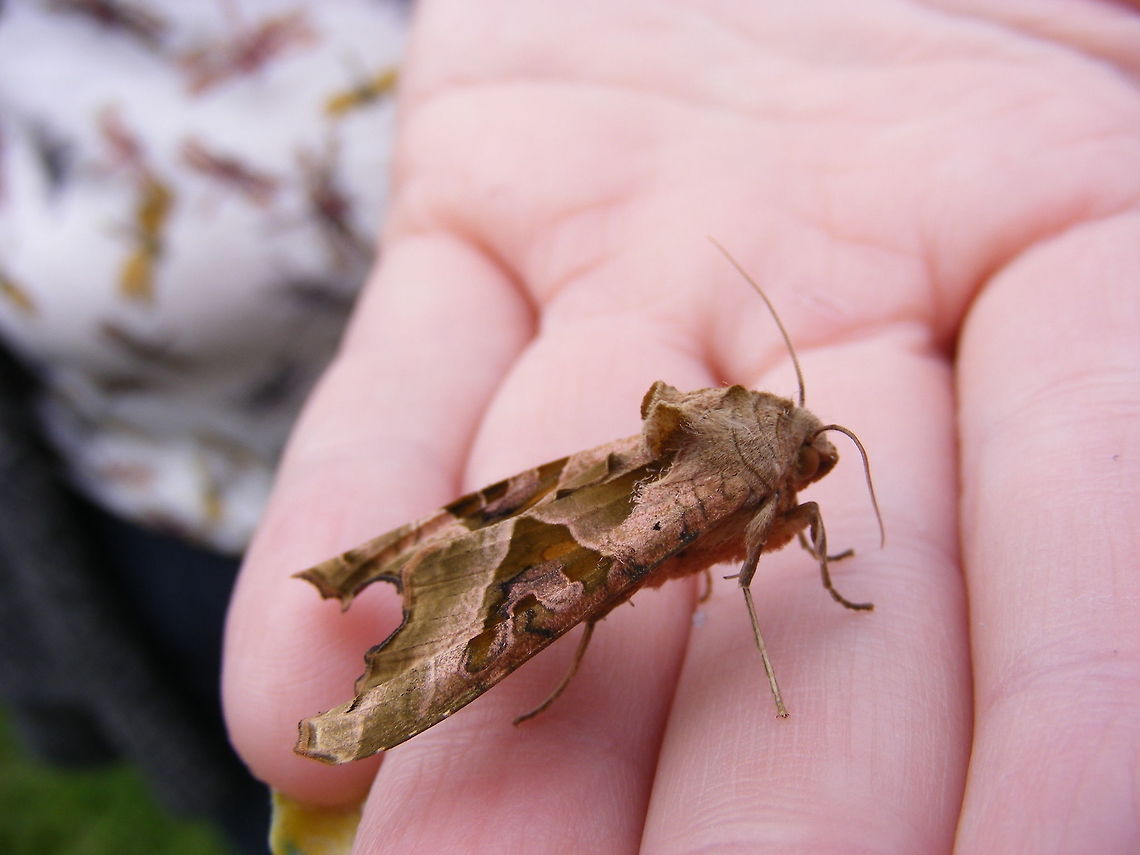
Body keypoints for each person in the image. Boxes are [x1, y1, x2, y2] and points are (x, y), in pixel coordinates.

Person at [223, 2, 1140, 852]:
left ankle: (387, 574)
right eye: (815, 462)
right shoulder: (735, 494)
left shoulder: (772, 478)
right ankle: (378, 662)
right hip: (566, 542)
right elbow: (738, 580)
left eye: (819, 461)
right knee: (576, 589)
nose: (817, 474)